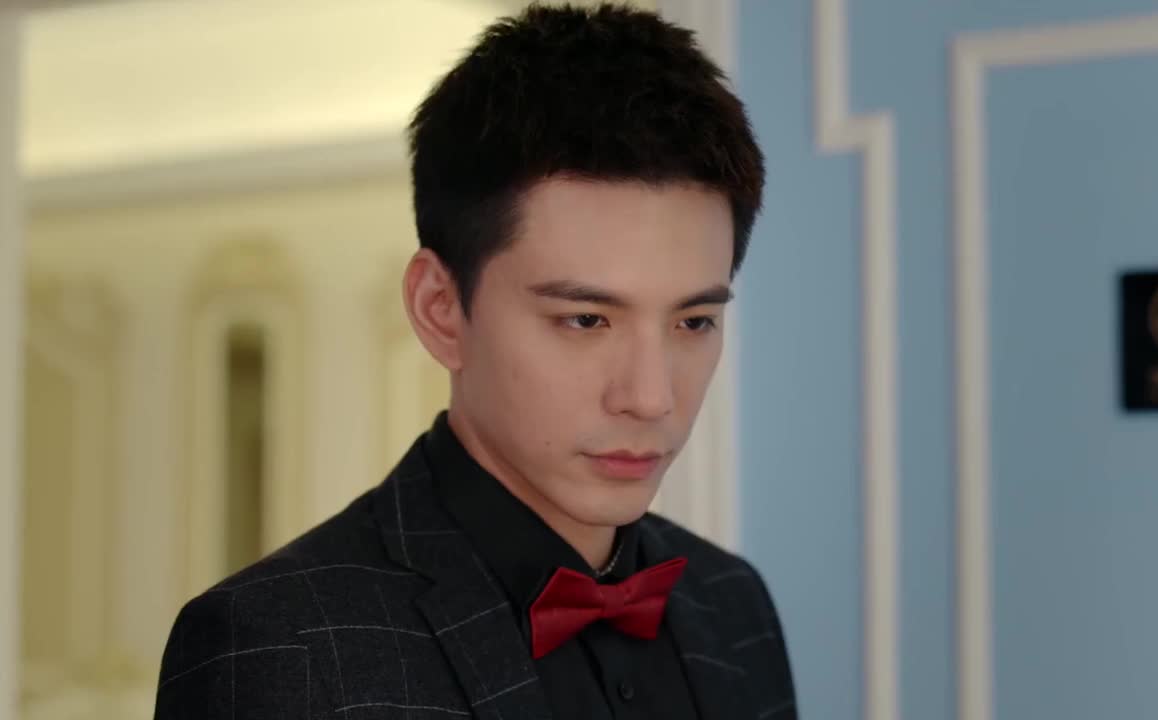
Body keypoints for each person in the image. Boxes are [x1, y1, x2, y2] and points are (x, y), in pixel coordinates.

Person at [153, 4, 795, 719]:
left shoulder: (735, 606)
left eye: (693, 321)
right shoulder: (279, 646)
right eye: (585, 319)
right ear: (440, 308)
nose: (651, 397)